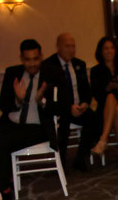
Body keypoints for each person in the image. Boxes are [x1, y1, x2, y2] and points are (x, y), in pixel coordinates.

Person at [0, 39, 53, 200]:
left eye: (35, 59)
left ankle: (3, 189)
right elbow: (3, 104)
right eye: (27, 59)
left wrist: (42, 101)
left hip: (36, 127)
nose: (31, 64)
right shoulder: (12, 73)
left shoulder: (51, 74)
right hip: (12, 122)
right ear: (21, 59)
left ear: (41, 57)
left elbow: (61, 106)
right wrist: (18, 100)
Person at [41, 32, 99, 171]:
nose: (71, 50)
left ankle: (80, 157)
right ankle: (61, 161)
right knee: (64, 121)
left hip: (79, 107)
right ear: (58, 47)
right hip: (62, 108)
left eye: (73, 46)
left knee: (93, 119)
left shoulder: (79, 64)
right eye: (67, 46)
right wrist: (68, 107)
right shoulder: (48, 66)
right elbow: (49, 94)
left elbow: (86, 89)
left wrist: (85, 103)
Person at [89, 35, 118, 160]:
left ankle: (103, 140)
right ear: (101, 51)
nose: (109, 51)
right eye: (106, 48)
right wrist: (108, 88)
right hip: (104, 109)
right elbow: (96, 94)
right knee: (112, 100)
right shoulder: (96, 71)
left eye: (111, 48)